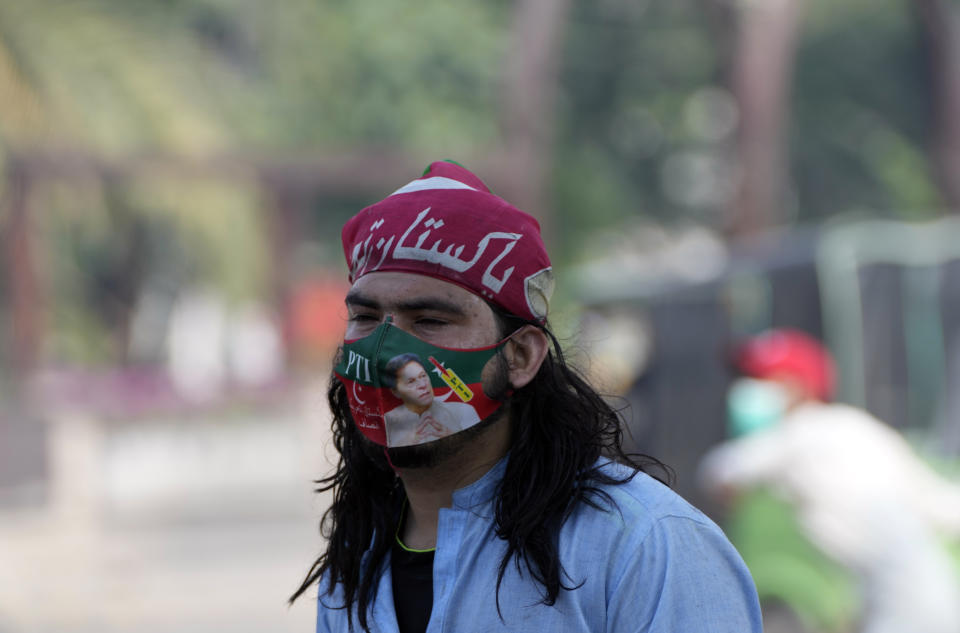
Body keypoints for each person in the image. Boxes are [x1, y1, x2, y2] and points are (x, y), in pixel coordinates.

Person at [291, 160, 762, 633]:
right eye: (367, 318)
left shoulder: (644, 547)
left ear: (520, 356)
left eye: (430, 321)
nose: (384, 352)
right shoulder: (354, 566)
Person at [699, 328, 960, 633]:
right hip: (923, 594)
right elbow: (939, 503)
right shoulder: (855, 427)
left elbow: (719, 471)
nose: (746, 390)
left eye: (762, 380)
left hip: (904, 606)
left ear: (797, 386)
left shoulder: (804, 432)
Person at [382, 353, 481, 445]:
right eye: (411, 381)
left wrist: (455, 439)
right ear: (395, 392)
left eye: (423, 376)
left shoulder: (463, 410)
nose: (423, 385)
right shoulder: (386, 421)